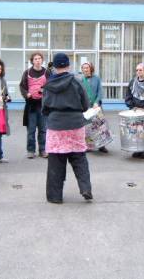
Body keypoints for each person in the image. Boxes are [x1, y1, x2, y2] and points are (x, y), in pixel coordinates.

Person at [42, 53, 92, 204]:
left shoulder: (48, 85)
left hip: (56, 125)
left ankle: (55, 196)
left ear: (55, 67)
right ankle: (85, 188)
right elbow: (85, 104)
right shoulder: (77, 82)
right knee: (79, 158)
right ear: (68, 65)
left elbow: (44, 108)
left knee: (56, 161)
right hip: (75, 124)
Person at [19, 52, 50, 159]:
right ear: (32, 61)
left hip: (43, 105)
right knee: (31, 130)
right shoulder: (27, 72)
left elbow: (51, 85)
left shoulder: (47, 72)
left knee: (43, 129)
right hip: (31, 105)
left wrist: (45, 91)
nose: (37, 60)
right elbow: (22, 86)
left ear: (42, 60)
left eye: (39, 58)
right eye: (35, 59)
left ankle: (43, 150)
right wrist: (26, 94)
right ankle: (31, 150)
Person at [124, 63, 144, 159]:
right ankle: (136, 149)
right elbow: (128, 95)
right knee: (135, 130)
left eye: (140, 70)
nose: (138, 72)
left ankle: (143, 150)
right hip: (135, 110)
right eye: (137, 70)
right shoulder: (132, 82)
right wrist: (132, 107)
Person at [80, 62, 108, 153]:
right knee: (87, 127)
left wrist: (96, 102)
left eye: (87, 68)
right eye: (83, 68)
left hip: (96, 107)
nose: (85, 69)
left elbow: (100, 92)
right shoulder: (81, 80)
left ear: (91, 68)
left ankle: (102, 145)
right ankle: (88, 145)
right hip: (86, 107)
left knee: (100, 126)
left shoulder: (97, 79)